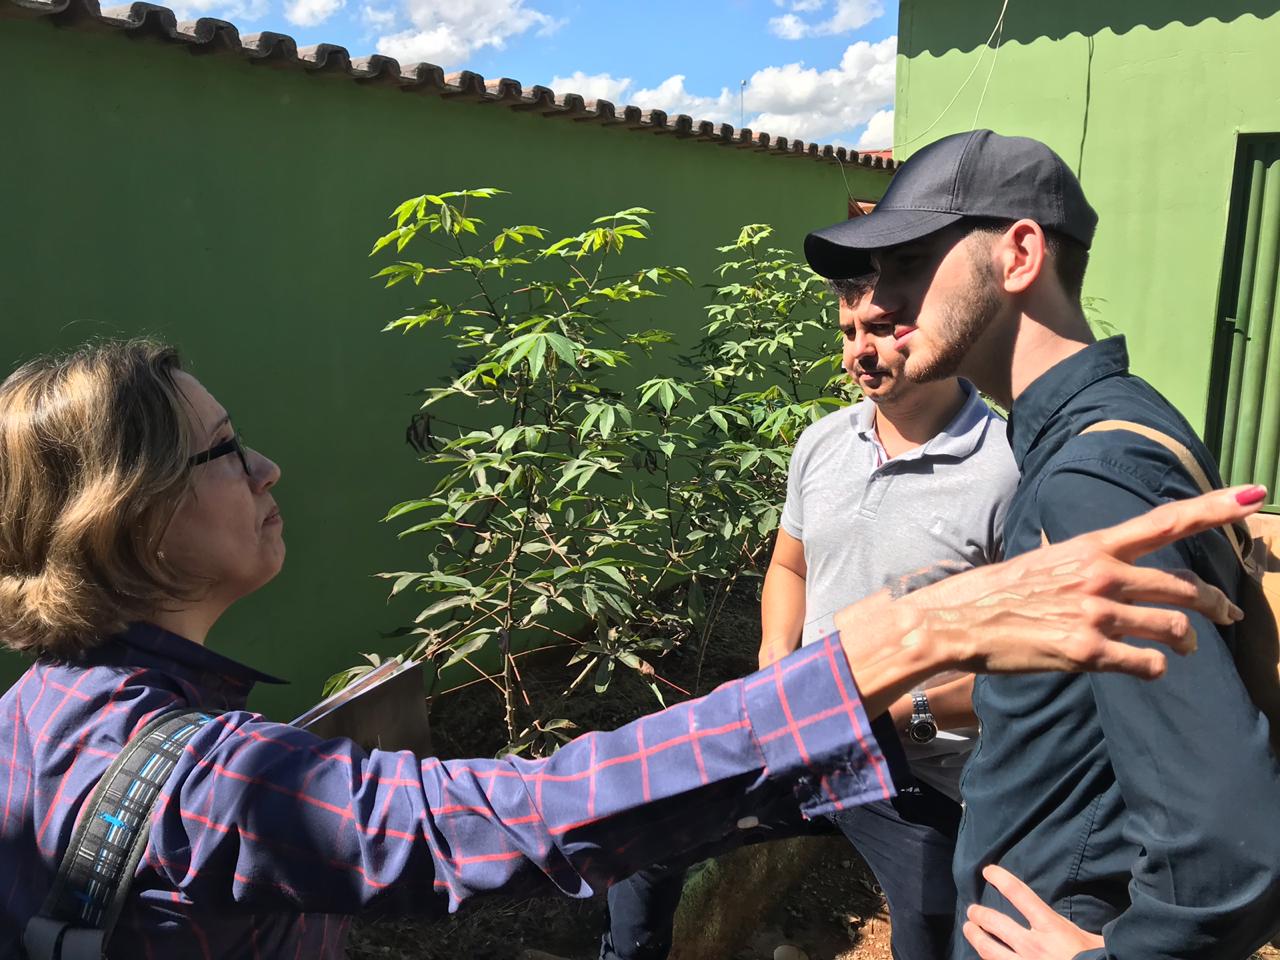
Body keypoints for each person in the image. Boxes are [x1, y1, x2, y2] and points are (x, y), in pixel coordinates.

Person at [0, 342, 1256, 958]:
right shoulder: (200, 781)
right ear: (139, 515)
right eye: (226, 451)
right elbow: (510, 820)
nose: (265, 465)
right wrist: (891, 643)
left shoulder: (41, 716)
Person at [804, 129, 1280, 960]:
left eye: (911, 265)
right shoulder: (1106, 425)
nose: (877, 306)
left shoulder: (1088, 477)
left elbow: (1225, 838)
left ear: (1019, 252)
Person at [600, 274, 1018, 960]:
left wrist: (894, 709)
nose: (860, 349)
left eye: (882, 327)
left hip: (921, 772)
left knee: (935, 927)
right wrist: (775, 655)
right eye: (849, 330)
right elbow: (789, 567)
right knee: (643, 832)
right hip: (797, 733)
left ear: (947, 326)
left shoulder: (1006, 470)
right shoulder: (822, 443)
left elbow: (1018, 665)